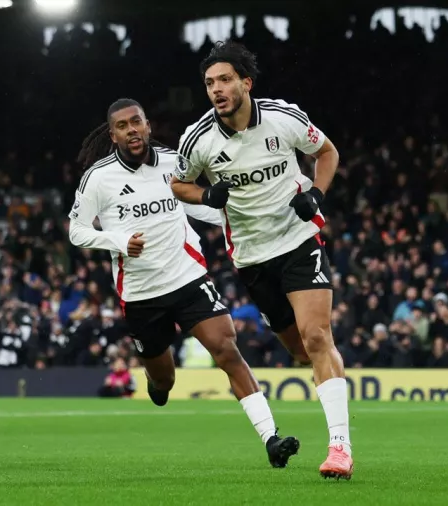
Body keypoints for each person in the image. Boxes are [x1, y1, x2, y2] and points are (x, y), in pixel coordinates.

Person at [70, 98, 300, 468]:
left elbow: (194, 204)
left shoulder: (174, 162)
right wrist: (116, 241)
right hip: (141, 293)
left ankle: (271, 438)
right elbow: (77, 231)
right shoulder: (98, 178)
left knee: (227, 350)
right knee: (164, 381)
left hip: (187, 277)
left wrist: (228, 208)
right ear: (113, 135)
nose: (132, 130)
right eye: (123, 126)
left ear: (148, 125)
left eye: (137, 122)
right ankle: (157, 383)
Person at [170, 41, 353, 480]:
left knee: (315, 336)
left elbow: (327, 153)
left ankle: (340, 448)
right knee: (299, 350)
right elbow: (179, 185)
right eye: (210, 82)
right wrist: (204, 194)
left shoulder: (283, 117)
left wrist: (316, 193)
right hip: (251, 257)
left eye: (225, 80)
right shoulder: (198, 140)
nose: (216, 89)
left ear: (245, 83)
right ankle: (330, 367)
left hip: (297, 240)